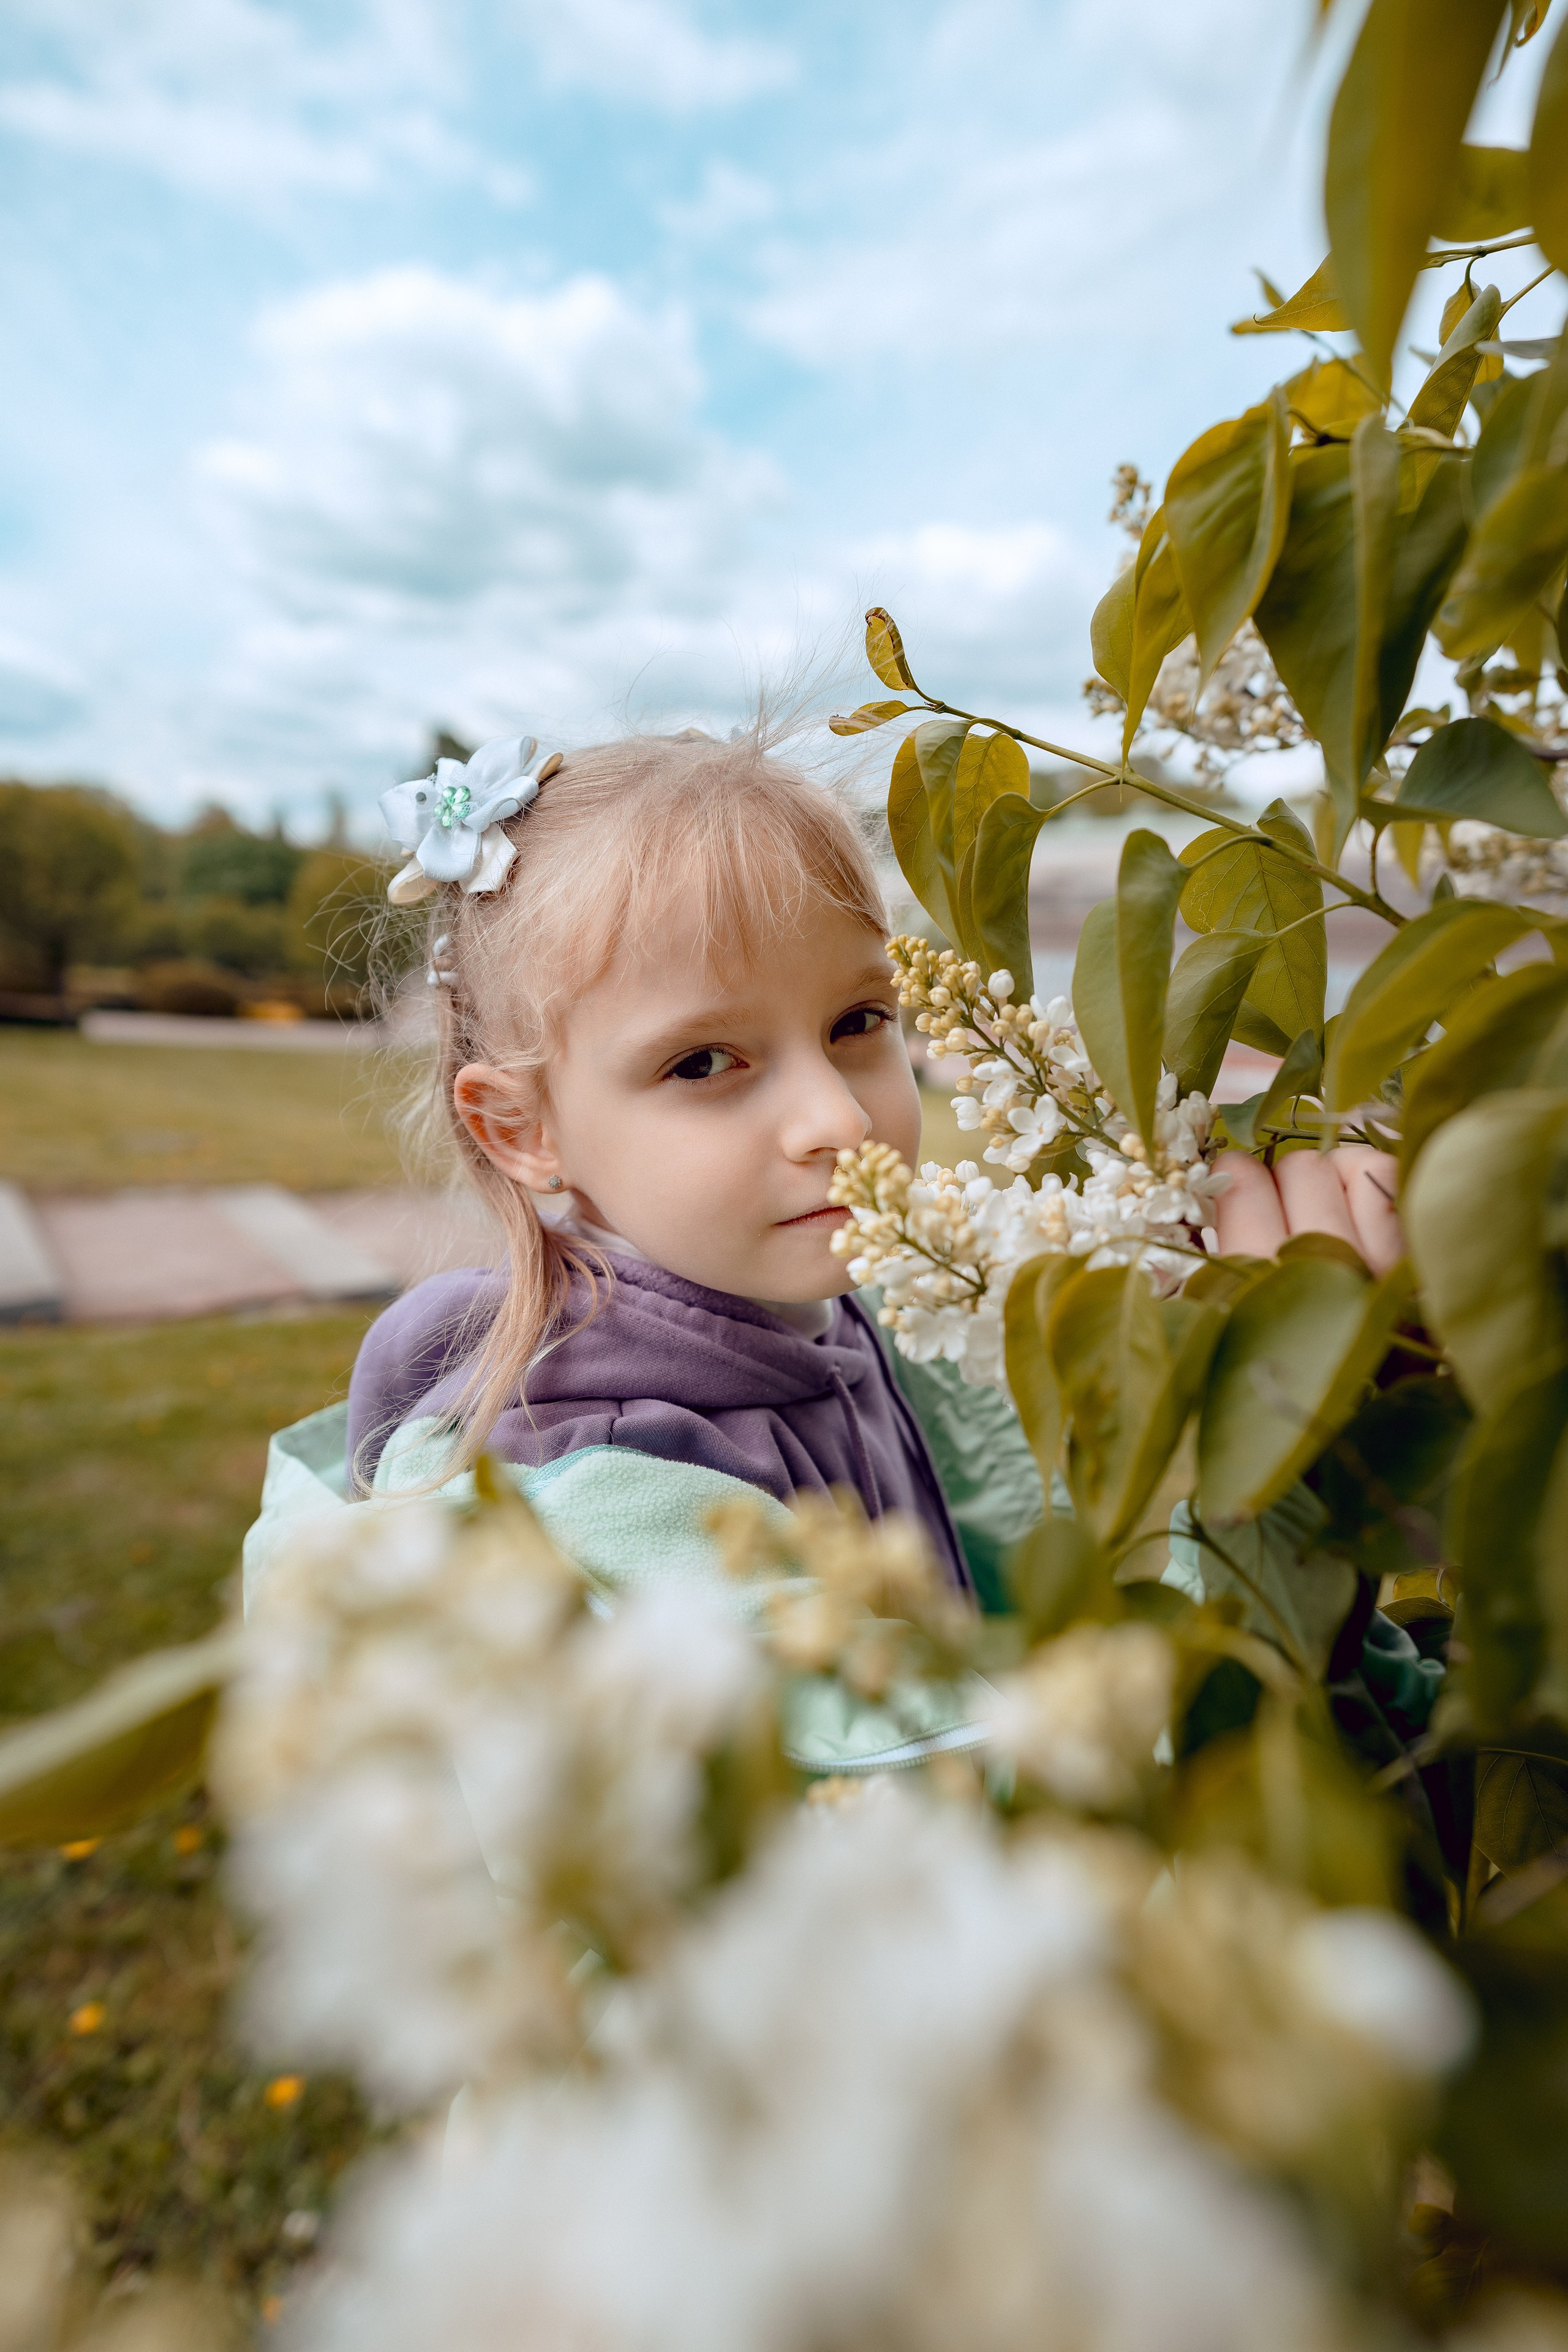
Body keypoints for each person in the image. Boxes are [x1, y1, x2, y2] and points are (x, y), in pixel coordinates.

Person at [243, 724, 1044, 1773]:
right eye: (706, 1060)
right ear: (524, 1131)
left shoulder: (817, 1300)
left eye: (859, 1019)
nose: (837, 1121)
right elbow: (859, 1777)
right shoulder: (606, 1474)